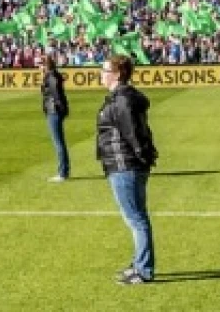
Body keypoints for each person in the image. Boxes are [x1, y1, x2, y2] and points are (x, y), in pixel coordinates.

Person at [97, 54, 158, 285]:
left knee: (136, 219)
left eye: (104, 70)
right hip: (126, 164)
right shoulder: (122, 98)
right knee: (136, 217)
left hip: (125, 165)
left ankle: (143, 270)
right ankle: (139, 264)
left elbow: (132, 132)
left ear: (117, 73)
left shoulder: (121, 100)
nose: (101, 74)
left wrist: (141, 156)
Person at [42, 53, 71, 182]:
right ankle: (64, 170)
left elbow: (56, 94)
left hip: (54, 111)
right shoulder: (53, 75)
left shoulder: (51, 76)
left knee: (58, 142)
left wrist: (60, 108)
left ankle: (63, 172)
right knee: (59, 142)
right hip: (55, 110)